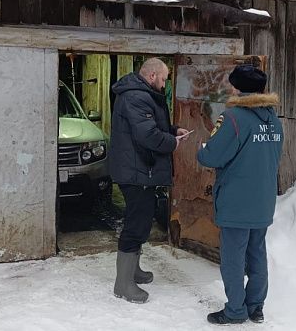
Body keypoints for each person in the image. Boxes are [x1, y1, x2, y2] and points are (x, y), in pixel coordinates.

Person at [197, 64, 283, 325]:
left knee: (233, 259)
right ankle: (255, 307)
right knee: (257, 254)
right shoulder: (274, 120)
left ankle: (235, 310)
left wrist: (203, 148)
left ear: (236, 87)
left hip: (236, 201)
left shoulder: (233, 118)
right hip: (263, 200)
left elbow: (212, 156)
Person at [109, 57, 189, 303]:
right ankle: (123, 284)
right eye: (164, 78)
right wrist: (171, 143)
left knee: (141, 221)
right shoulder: (137, 96)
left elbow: (151, 124)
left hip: (141, 169)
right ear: (152, 75)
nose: (165, 84)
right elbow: (147, 134)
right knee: (136, 225)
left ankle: (133, 271)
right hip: (136, 172)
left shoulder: (141, 94)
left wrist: (173, 130)